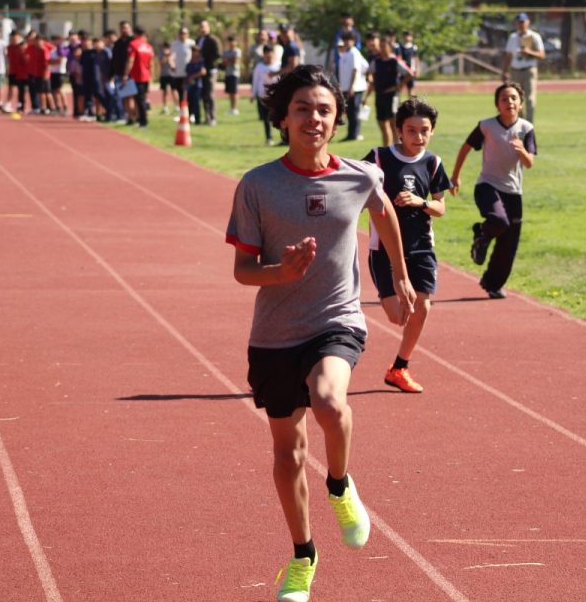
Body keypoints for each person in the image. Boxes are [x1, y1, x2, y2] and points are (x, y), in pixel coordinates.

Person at [225, 65, 414, 602]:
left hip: (337, 320)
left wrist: (397, 275)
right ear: (282, 117)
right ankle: (303, 555)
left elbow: (384, 216)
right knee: (287, 451)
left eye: (324, 109)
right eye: (303, 108)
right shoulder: (258, 185)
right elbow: (243, 271)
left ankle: (339, 484)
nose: (314, 118)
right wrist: (279, 273)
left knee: (330, 401)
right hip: (275, 334)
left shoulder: (361, 175)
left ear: (337, 119)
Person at [363, 97, 450, 393]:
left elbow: (441, 207)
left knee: (421, 307)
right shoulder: (378, 158)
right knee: (396, 316)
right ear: (399, 130)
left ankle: (399, 367)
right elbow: (355, 189)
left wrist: (421, 202)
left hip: (421, 246)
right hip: (383, 249)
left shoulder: (433, 163)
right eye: (412, 130)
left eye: (425, 130)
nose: (419, 137)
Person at [449, 82, 537, 300]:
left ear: (521, 102)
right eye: (504, 99)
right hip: (487, 185)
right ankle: (482, 234)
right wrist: (455, 175)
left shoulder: (526, 129)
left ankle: (493, 283)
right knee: (499, 221)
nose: (509, 102)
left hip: (514, 192)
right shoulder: (486, 126)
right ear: (497, 104)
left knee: (509, 243)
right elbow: (466, 147)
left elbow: (529, 163)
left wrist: (522, 150)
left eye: (513, 98)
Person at [369, 34, 409, 147]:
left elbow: (409, 74)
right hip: (379, 96)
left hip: (392, 97)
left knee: (393, 124)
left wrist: (398, 86)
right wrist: (371, 79)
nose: (381, 48)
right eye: (380, 46)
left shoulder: (395, 61)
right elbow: (368, 72)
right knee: (382, 124)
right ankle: (386, 149)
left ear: (389, 47)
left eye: (384, 46)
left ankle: (397, 148)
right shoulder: (376, 61)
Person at [503, 13, 544, 122]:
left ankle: (529, 124)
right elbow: (509, 55)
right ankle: (520, 122)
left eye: (523, 22)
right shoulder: (513, 37)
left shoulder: (534, 36)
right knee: (516, 98)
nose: (521, 25)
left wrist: (528, 52)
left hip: (529, 70)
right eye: (519, 22)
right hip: (515, 70)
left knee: (530, 99)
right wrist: (504, 71)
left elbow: (541, 55)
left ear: (528, 22)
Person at [336, 31, 369, 142]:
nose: (346, 42)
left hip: (355, 88)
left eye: (348, 40)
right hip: (346, 87)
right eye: (344, 39)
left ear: (353, 41)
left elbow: (356, 70)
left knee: (354, 111)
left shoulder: (354, 53)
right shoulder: (345, 53)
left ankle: (355, 134)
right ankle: (351, 133)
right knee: (349, 111)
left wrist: (352, 86)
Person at [251, 44, 281, 145]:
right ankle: (269, 137)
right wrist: (253, 94)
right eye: (266, 55)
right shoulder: (259, 67)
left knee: (278, 117)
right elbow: (255, 80)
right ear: (263, 55)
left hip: (276, 97)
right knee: (266, 118)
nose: (269, 57)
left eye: (270, 55)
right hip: (263, 96)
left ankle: (283, 137)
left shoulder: (279, 66)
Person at [127, 26, 155, 127]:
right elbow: (151, 63)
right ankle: (141, 119)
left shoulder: (133, 44)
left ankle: (143, 121)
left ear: (135, 33)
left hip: (137, 76)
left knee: (139, 99)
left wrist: (126, 74)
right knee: (142, 98)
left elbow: (131, 60)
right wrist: (151, 76)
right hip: (146, 76)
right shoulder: (148, 47)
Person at [197, 20, 222, 126]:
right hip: (200, 71)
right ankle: (206, 117)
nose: (203, 29)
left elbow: (218, 54)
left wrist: (208, 64)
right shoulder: (198, 40)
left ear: (208, 28)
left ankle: (213, 117)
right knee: (203, 95)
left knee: (210, 94)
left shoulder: (213, 39)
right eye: (201, 26)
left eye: (204, 26)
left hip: (210, 70)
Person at [5, 30, 25, 113]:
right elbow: (8, 59)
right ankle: (8, 104)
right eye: (12, 38)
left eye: (16, 38)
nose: (14, 39)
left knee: (21, 90)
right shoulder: (9, 47)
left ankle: (20, 105)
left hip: (21, 72)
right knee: (11, 88)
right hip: (12, 71)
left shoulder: (22, 47)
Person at [223, 35, 242, 115]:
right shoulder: (226, 52)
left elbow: (235, 61)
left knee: (234, 92)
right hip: (228, 73)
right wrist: (229, 61)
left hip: (235, 73)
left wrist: (229, 61)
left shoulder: (237, 51)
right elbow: (224, 62)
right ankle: (231, 108)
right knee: (230, 92)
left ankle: (235, 108)